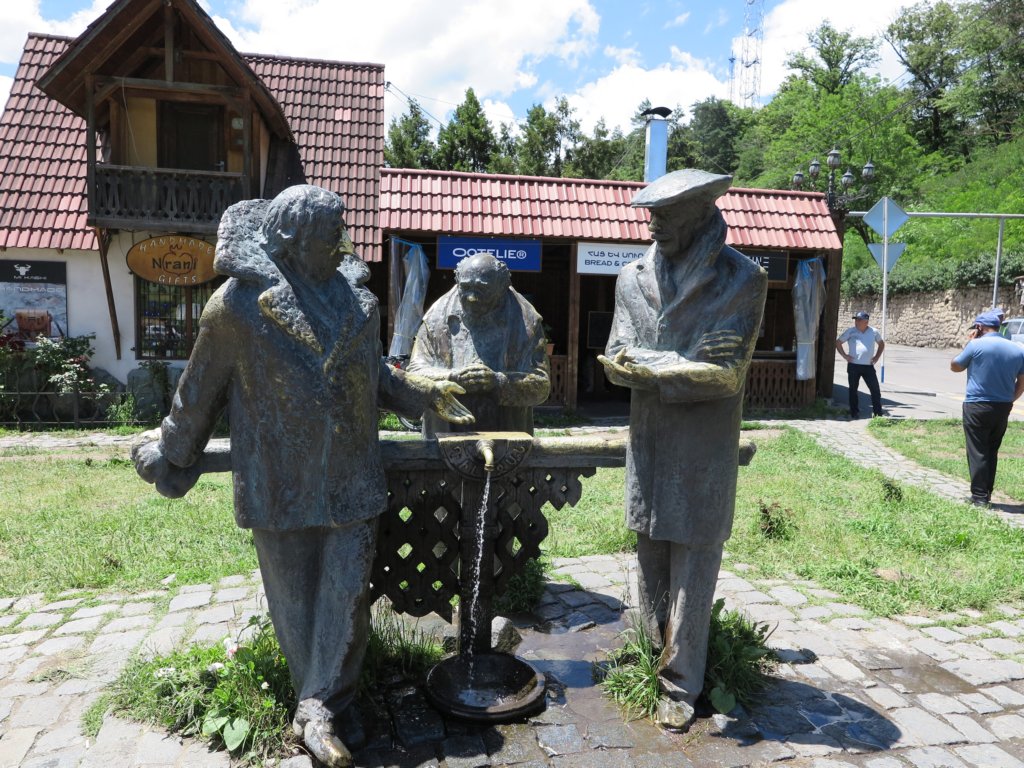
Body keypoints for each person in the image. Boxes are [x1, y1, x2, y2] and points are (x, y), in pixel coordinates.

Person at [132, 185, 472, 768]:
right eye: (330, 234)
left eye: (341, 232)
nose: (342, 243)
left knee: (348, 596)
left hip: (353, 477)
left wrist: (425, 393)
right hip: (278, 483)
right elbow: (198, 392)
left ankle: (319, 710)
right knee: (296, 606)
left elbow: (376, 379)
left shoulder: (357, 302)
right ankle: (329, 707)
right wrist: (171, 451)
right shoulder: (236, 307)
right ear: (290, 240)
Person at [598, 169, 767, 728]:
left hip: (702, 447)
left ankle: (680, 683)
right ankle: (647, 656)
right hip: (649, 440)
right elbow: (617, 354)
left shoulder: (741, 278)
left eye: (667, 214)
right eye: (651, 214)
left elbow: (726, 373)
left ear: (700, 213)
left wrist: (654, 364)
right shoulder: (631, 276)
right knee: (649, 547)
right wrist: (674, 361)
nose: (654, 224)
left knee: (694, 557)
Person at [407, 252, 550, 437]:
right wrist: (453, 378)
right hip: (443, 434)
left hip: (508, 437)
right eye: (465, 288)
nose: (472, 297)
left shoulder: (526, 323)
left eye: (483, 289)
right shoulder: (436, 320)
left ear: (503, 286)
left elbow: (541, 385)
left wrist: (497, 382)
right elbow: (414, 375)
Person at [950, 309, 1024, 507]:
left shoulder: (975, 345)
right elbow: (1022, 382)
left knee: (977, 450)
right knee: (992, 449)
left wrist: (969, 343)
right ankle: (987, 493)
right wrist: (1010, 400)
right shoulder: (1017, 349)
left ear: (980, 327)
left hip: (977, 404)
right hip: (1003, 406)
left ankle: (979, 497)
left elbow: (955, 366)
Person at [835, 311, 885, 419]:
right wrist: (844, 355)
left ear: (866, 322)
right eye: (856, 320)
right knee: (853, 390)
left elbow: (881, 344)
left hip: (868, 366)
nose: (856, 322)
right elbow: (838, 342)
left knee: (875, 390)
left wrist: (877, 357)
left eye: (858, 320)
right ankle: (854, 412)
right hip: (854, 366)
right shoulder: (851, 331)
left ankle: (878, 413)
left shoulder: (873, 332)